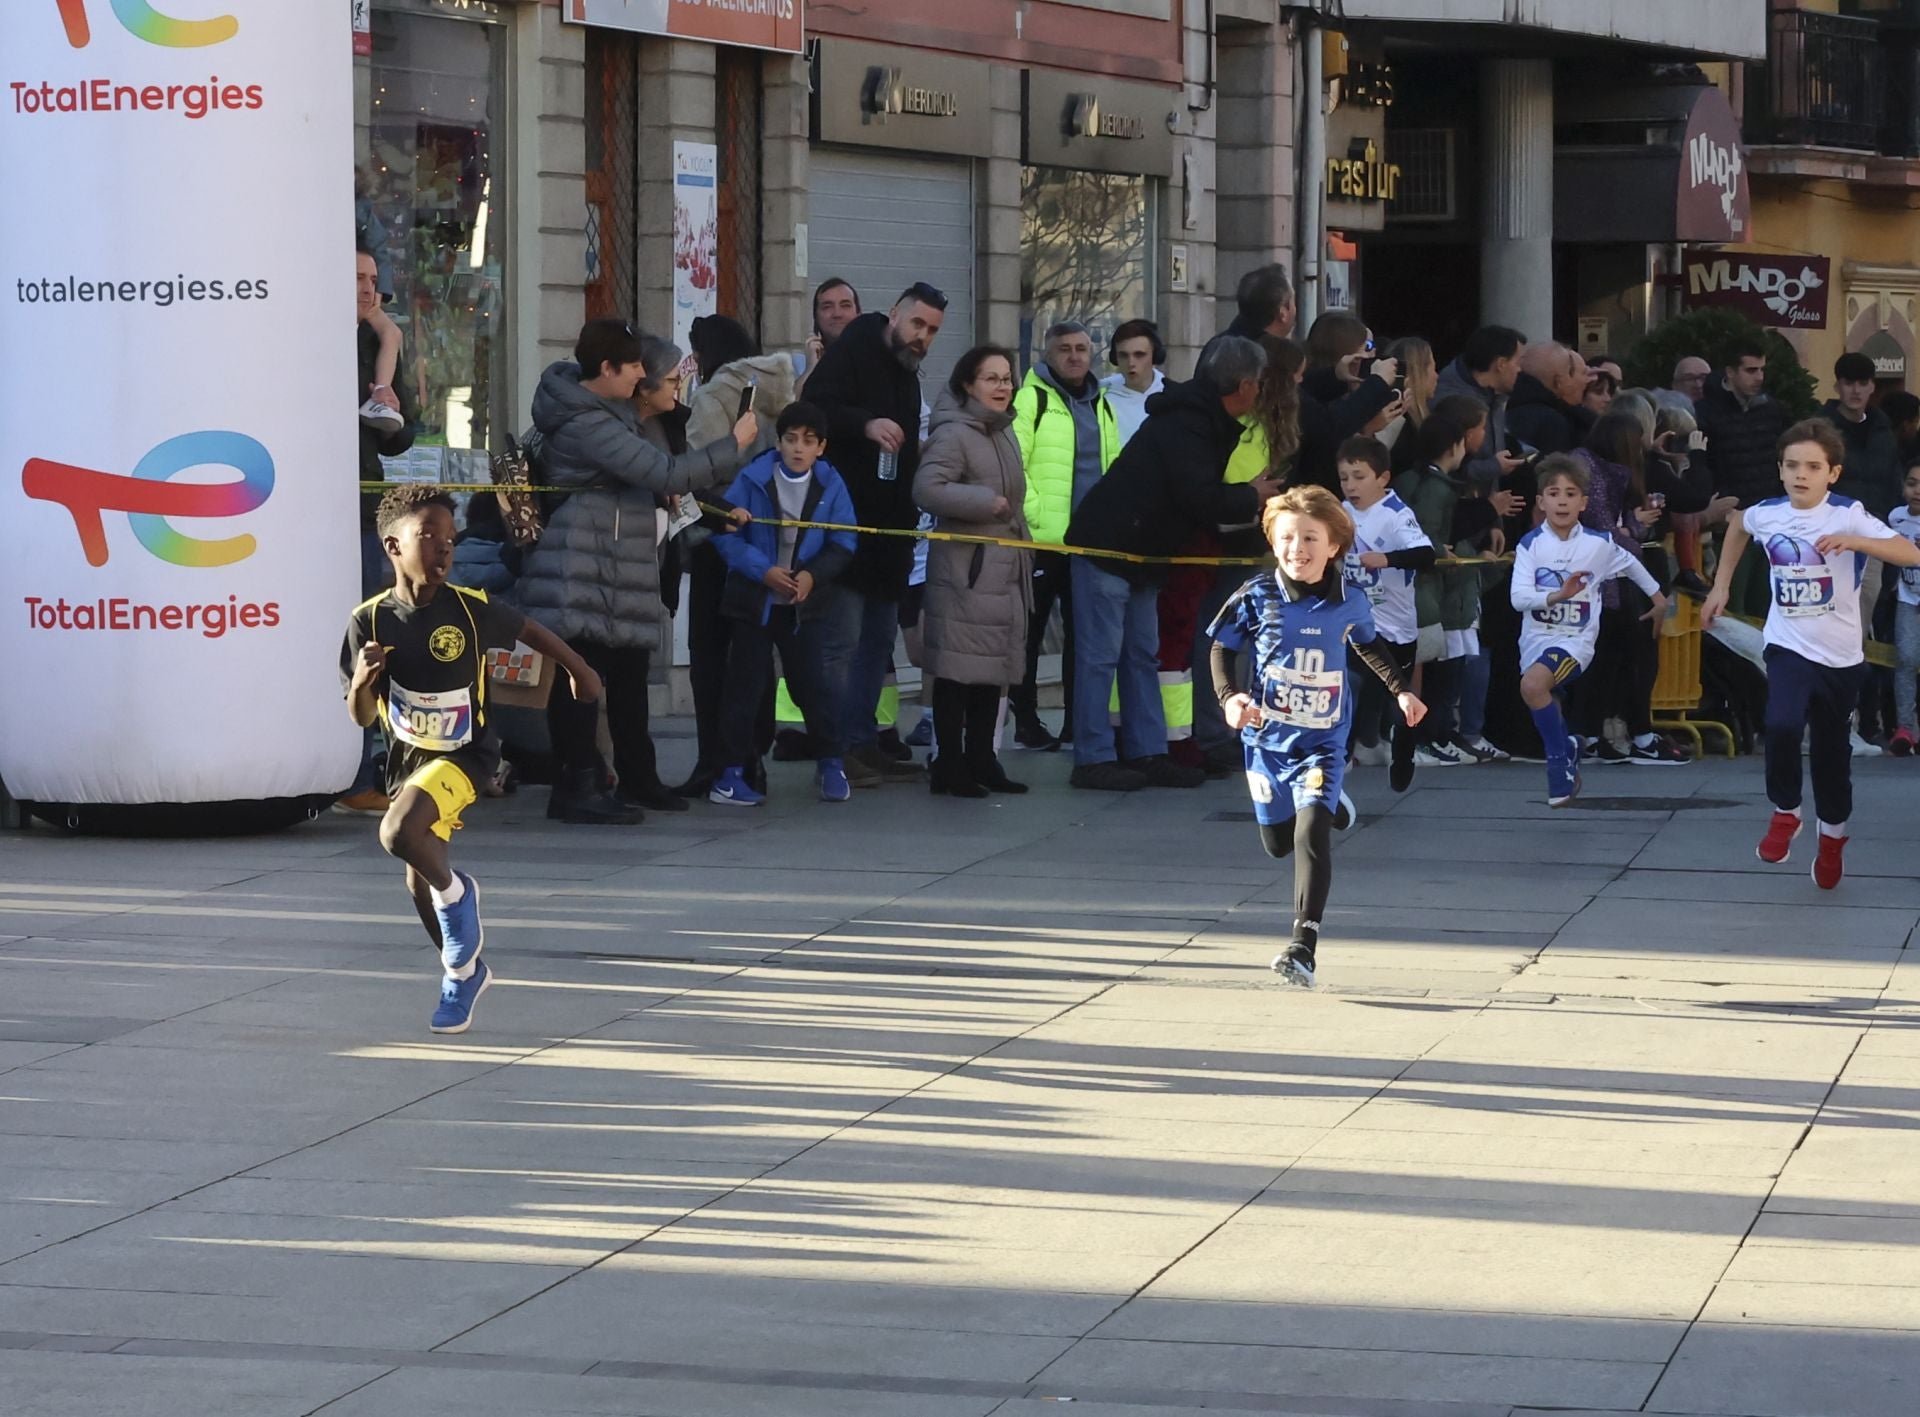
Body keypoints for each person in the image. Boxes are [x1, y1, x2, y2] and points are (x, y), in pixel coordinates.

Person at [342, 487, 606, 1034]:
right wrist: (363, 683)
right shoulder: (368, 621)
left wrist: (581, 670)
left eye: (450, 540)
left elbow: (532, 631)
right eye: (428, 537)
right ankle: (463, 971)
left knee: (396, 832)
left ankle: (460, 893)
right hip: (408, 763)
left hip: (466, 755)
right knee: (417, 880)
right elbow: (363, 716)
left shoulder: (469, 609)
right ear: (393, 545)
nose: (442, 550)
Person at [518, 320, 754, 824]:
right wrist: (732, 442)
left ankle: (630, 778)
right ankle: (577, 784)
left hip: (608, 560)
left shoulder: (603, 411)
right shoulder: (588, 421)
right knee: (580, 674)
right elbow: (663, 472)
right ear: (607, 369)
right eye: (633, 370)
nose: (639, 379)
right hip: (583, 562)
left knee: (622, 673)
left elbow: (657, 477)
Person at [1210, 485, 1427, 988]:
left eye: (1310, 538)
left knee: (1311, 835)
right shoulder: (1257, 595)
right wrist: (1230, 699)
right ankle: (1335, 808)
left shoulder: (1349, 600)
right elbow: (1222, 648)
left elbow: (1370, 646)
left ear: (1334, 546)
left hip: (1323, 743)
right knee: (1279, 845)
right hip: (1266, 743)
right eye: (1287, 538)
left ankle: (1302, 947)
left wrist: (1400, 692)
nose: (1297, 549)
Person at [1703, 420, 1920, 887]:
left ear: (1832, 474)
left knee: (1830, 756)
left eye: (1813, 467)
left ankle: (1833, 838)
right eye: (1792, 466)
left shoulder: (1847, 513)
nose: (1802, 474)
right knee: (1781, 724)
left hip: (1841, 657)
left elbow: (1909, 552)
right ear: (1780, 471)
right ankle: (1786, 811)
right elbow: (1739, 524)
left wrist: (1857, 542)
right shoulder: (1769, 513)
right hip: (1788, 645)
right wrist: (1719, 587)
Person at [1067, 337, 1279, 791]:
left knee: (1143, 654)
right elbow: (1198, 495)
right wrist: (1252, 496)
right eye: (1258, 385)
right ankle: (1093, 757)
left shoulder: (1202, 419)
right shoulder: (1191, 422)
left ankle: (1148, 751)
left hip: (1146, 549)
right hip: (1111, 544)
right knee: (1101, 658)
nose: (1260, 394)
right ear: (1243, 385)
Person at [786, 282, 947, 784]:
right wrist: (865, 424)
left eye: (932, 331)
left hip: (891, 531)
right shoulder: (858, 345)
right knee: (843, 643)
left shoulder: (906, 369)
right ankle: (834, 751)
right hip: (848, 529)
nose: (922, 336)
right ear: (895, 314)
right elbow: (814, 408)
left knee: (877, 643)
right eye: (917, 324)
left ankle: (862, 740)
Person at [676, 317, 806, 798]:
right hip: (768, 541)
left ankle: (716, 762)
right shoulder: (781, 389)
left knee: (710, 657)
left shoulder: (715, 394)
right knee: (753, 658)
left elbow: (702, 465)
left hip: (720, 536)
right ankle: (752, 757)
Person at [706, 402, 858, 806]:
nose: (798, 448)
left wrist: (810, 575)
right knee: (745, 688)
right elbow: (724, 534)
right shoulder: (752, 477)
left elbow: (844, 542)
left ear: (821, 448)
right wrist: (763, 571)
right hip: (753, 602)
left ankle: (830, 762)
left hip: (802, 605)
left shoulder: (832, 485)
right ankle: (730, 774)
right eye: (791, 439)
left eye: (809, 441)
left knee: (813, 686)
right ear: (778, 442)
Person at [1511, 456, 1669, 808]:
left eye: (1571, 494)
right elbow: (1519, 598)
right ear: (1541, 501)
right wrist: (1557, 595)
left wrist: (1658, 597)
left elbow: (1629, 563)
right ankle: (1566, 746)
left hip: (1575, 641)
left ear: (1583, 502)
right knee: (1539, 695)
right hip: (1536, 640)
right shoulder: (1530, 545)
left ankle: (1558, 765)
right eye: (1554, 493)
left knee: (1533, 685)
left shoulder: (1598, 544)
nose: (1562, 501)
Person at [914, 345, 1032, 797]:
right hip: (966, 570)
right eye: (992, 379)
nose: (1002, 387)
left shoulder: (1001, 431)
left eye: (1006, 378)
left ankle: (984, 758)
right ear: (968, 384)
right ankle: (950, 764)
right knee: (956, 672)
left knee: (991, 669)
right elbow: (926, 489)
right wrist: (983, 503)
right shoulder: (954, 434)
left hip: (1002, 569)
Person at [338, 243, 422, 817]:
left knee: (372, 628)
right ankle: (345, 769)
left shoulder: (378, 340)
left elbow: (403, 434)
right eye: (356, 278)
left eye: (372, 278)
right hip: (315, 502)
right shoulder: (308, 338)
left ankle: (369, 768)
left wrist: (391, 413)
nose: (368, 288)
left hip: (364, 499)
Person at [1010, 320, 1121, 749]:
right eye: (1064, 349)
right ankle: (1027, 723)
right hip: (1042, 543)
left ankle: (1079, 723)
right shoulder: (1031, 399)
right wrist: (1036, 519)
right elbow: (1014, 466)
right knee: (1029, 637)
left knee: (1084, 638)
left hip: (1089, 544)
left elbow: (1112, 469)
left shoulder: (1102, 403)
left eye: (1081, 348)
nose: (1074, 356)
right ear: (1048, 354)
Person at [1394, 403, 1502, 767]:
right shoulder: (1436, 487)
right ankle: (1430, 735)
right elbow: (1425, 530)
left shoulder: (1415, 480)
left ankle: (1439, 734)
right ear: (1455, 446)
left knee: (1440, 665)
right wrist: (1441, 551)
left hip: (1432, 586)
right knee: (1441, 669)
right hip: (1434, 587)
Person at [1339, 435, 1434, 792]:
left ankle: (1404, 751)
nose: (1350, 485)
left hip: (1397, 628)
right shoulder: (1340, 513)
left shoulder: (1397, 515)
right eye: (1345, 477)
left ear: (1383, 478)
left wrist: (1387, 559)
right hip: (1355, 623)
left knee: (1400, 700)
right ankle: (1339, 755)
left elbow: (1426, 555)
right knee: (1349, 683)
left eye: (1359, 476)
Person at [1695, 340, 1793, 620]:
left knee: (1766, 606)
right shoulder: (1706, 412)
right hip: (1729, 523)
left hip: (1770, 520)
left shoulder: (1772, 409)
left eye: (1762, 369)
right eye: (1751, 370)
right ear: (1730, 372)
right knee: (1730, 608)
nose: (1759, 377)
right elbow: (1703, 463)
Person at [1435, 325, 1527, 491]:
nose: (1521, 369)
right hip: (1458, 507)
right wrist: (1493, 467)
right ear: (1501, 364)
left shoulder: (1495, 394)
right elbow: (1443, 465)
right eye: (1518, 362)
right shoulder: (1452, 403)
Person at [1506, 342, 1594, 457]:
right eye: (1582, 373)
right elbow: (1557, 471)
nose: (1587, 380)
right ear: (1559, 382)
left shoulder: (1502, 409)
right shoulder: (1553, 423)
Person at [1887, 459, 1920, 755]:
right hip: (1908, 599)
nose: (1918, 491)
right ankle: (1905, 727)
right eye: (1912, 484)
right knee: (1906, 659)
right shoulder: (1895, 518)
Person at [1102, 318, 1166, 445]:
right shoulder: (1101, 400)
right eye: (1123, 356)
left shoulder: (1173, 397)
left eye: (1139, 355)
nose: (1131, 363)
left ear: (1155, 356)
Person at [796, 278, 861, 395]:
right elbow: (795, 406)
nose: (837, 314)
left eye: (845, 305)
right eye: (827, 307)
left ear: (858, 314)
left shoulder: (875, 358)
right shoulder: (797, 365)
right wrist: (812, 368)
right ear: (815, 316)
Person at [1223, 263, 1296, 342]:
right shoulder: (1278, 353)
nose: (1295, 309)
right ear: (1282, 314)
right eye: (1293, 302)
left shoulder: (1216, 347)